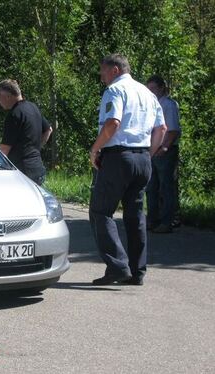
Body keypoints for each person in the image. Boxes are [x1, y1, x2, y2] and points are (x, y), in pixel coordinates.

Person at [89, 54, 167, 286]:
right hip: (143, 157)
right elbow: (161, 128)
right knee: (135, 217)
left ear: (114, 70)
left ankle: (117, 266)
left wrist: (95, 149)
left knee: (100, 212)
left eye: (103, 71)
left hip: (118, 157)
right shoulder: (148, 93)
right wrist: (147, 155)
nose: (102, 77)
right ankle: (137, 271)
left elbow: (113, 123)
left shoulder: (115, 90)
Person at [0, 79, 53, 185]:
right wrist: (36, 148)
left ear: (7, 96)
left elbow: (4, 149)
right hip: (37, 168)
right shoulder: (33, 107)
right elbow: (48, 130)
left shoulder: (14, 115)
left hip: (22, 172)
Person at [146, 75, 181, 233]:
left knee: (166, 187)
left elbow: (172, 130)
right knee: (151, 187)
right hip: (152, 150)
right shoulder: (151, 104)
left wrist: (164, 147)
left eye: (153, 88)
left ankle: (168, 222)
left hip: (165, 151)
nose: (151, 91)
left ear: (161, 88)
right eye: (149, 88)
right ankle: (153, 220)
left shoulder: (169, 105)